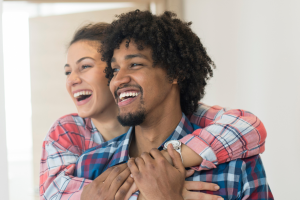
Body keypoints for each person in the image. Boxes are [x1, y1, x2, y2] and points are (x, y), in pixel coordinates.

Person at [39, 21, 267, 200]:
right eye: (114, 69)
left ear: (175, 72)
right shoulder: (88, 165)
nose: (119, 78)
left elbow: (247, 125)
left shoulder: (238, 164)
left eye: (135, 64)